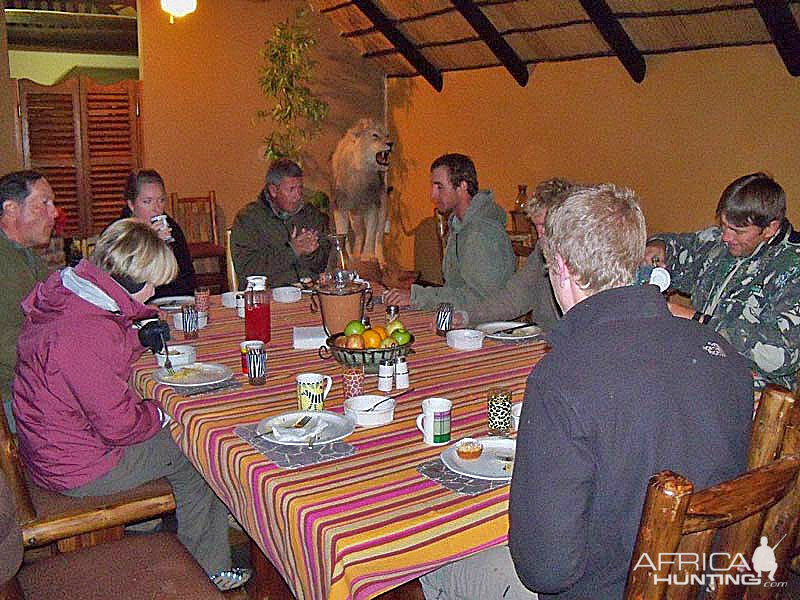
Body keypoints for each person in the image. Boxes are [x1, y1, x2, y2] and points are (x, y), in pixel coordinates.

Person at [420, 184, 754, 600]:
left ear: (561, 267)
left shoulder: (562, 378)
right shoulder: (723, 352)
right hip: (713, 583)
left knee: (436, 570)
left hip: (613, 590)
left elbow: (546, 571)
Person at [11, 219, 249, 591]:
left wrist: (137, 337)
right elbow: (121, 425)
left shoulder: (71, 293)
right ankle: (209, 569)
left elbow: (98, 352)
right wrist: (159, 409)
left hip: (49, 443)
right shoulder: (84, 334)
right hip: (76, 465)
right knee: (198, 453)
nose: (154, 292)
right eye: (151, 284)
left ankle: (153, 527)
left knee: (178, 439)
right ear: (131, 282)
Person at [645, 172, 800, 391]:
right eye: (724, 226)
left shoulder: (792, 267)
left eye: (737, 231)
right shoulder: (721, 243)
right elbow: (680, 249)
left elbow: (781, 354)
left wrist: (699, 320)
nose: (726, 237)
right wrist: (659, 247)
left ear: (770, 229)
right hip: (698, 369)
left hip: (751, 392)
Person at [383, 154, 515, 310]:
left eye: (440, 187)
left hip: (484, 326)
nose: (433, 195)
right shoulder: (460, 226)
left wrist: (417, 297)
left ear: (462, 187)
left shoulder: (481, 233)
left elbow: (482, 300)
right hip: (466, 318)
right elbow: (456, 288)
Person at [449, 178, 573, 331]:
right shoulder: (542, 251)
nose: (540, 235)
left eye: (543, 225)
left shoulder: (582, 259)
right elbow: (515, 296)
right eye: (536, 226)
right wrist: (468, 316)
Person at [0, 170, 55, 432]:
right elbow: (8, 346)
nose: (54, 213)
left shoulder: (25, 256)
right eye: (44, 203)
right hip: (14, 399)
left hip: (30, 385)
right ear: (10, 209)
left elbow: (61, 299)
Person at [231, 158, 330, 288]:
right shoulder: (248, 220)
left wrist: (311, 254)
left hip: (309, 294)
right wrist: (292, 251)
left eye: (300, 188)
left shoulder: (311, 215)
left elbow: (325, 263)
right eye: (291, 189)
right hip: (269, 296)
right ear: (273, 190)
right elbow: (247, 270)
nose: (298, 196)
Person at [121, 169, 196, 298]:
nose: (156, 209)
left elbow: (188, 279)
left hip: (172, 301)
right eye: (147, 202)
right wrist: (149, 245)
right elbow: (123, 286)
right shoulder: (119, 234)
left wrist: (167, 248)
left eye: (161, 200)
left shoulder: (172, 229)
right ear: (131, 205)